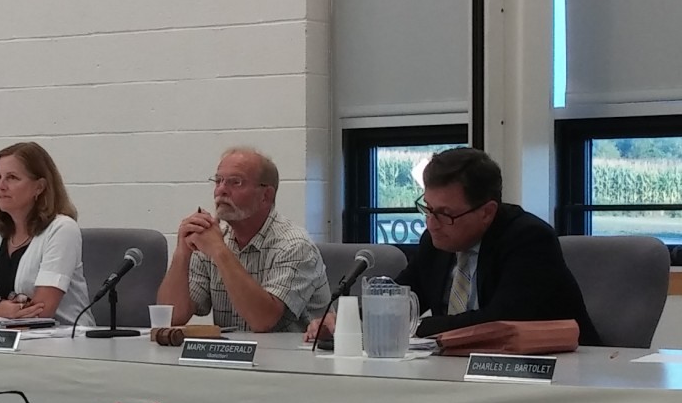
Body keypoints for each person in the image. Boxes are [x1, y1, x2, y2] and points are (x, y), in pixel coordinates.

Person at [307, 146, 597, 347]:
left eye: (445, 214)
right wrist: (345, 319)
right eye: (428, 209)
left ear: (487, 212)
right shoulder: (436, 242)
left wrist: (416, 329)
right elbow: (401, 295)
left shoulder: (528, 240)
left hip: (557, 373)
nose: (431, 223)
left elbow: (499, 321)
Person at [164, 148, 328, 334]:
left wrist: (219, 250)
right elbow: (171, 317)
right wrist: (182, 253)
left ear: (265, 196)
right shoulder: (213, 239)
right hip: (229, 358)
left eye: (236, 182)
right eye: (218, 181)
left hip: (289, 359)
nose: (221, 190)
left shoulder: (295, 245)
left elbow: (263, 321)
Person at [0, 142, 88, 324]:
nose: (1, 186)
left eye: (12, 177)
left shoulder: (62, 229)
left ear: (40, 187)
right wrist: (3, 309)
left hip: (64, 341)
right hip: (5, 340)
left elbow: (41, 312)